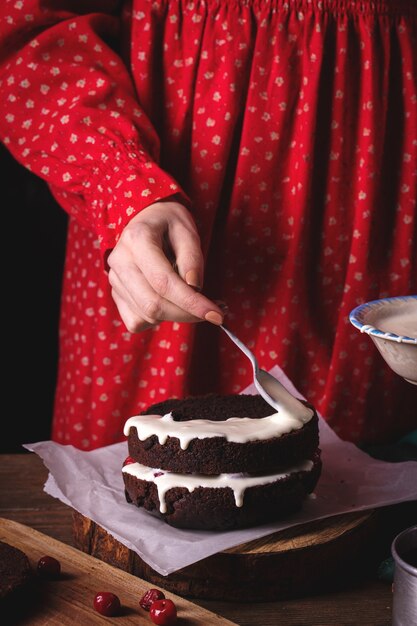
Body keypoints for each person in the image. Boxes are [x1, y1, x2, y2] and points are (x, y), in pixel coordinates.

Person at [0, 0, 415, 450]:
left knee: (361, 489)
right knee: (140, 467)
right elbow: (27, 34)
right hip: (155, 202)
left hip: (374, 198)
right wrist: (124, 188)